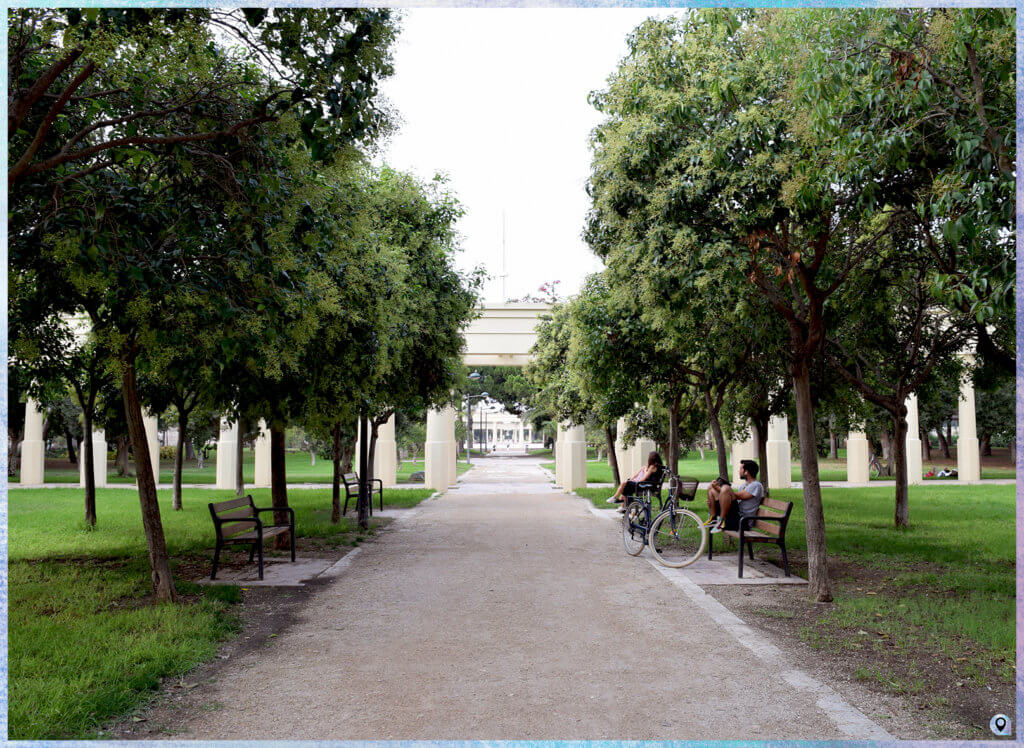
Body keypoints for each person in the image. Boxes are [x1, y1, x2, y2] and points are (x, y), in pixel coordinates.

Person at [705, 459, 764, 533]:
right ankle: (713, 518)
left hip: (743, 521)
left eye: (740, 469)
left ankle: (720, 522)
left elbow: (739, 496)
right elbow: (731, 496)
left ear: (746, 472)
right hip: (735, 516)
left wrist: (720, 489)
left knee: (726, 488)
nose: (739, 471)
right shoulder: (744, 485)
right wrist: (712, 502)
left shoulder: (756, 485)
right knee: (711, 488)